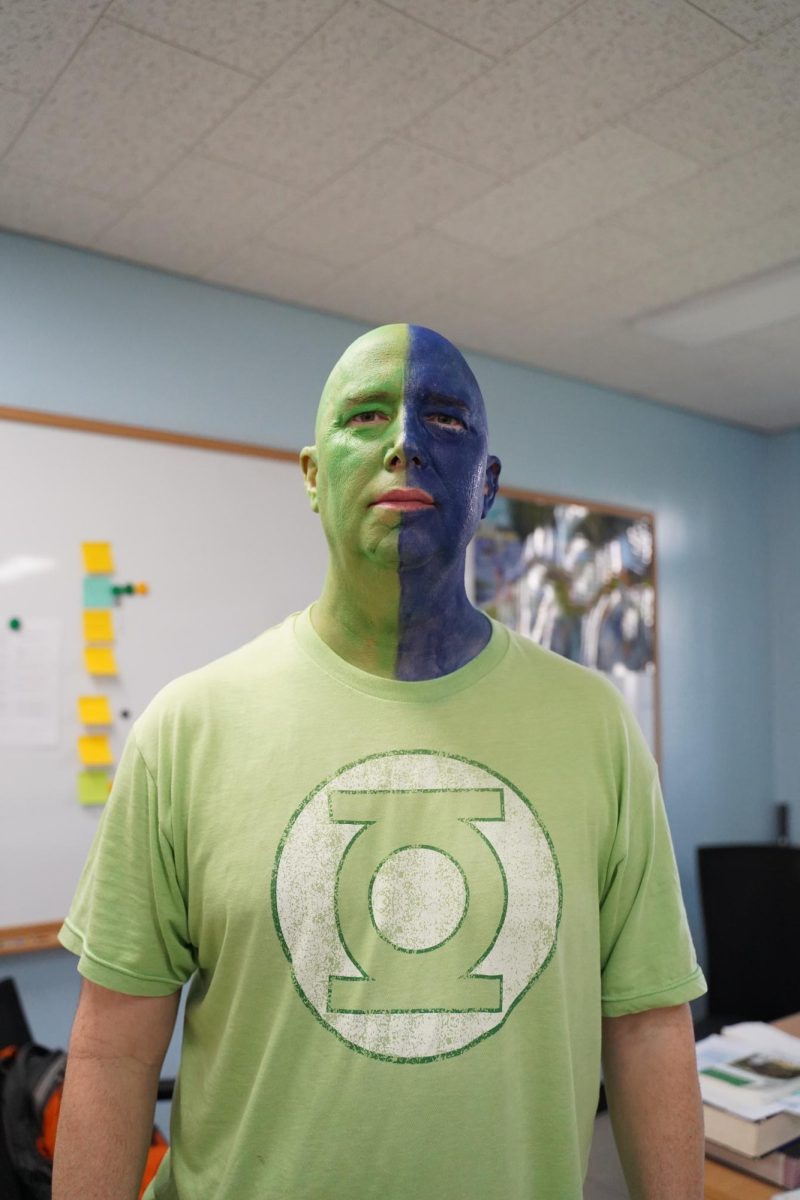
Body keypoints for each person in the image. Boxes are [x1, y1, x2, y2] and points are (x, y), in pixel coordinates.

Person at [53, 324, 706, 1200]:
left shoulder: (595, 726)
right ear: (314, 477)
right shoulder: (188, 728)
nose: (403, 442)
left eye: (442, 419)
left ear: (488, 484)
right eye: (365, 417)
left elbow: (648, 1030)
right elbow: (113, 1050)